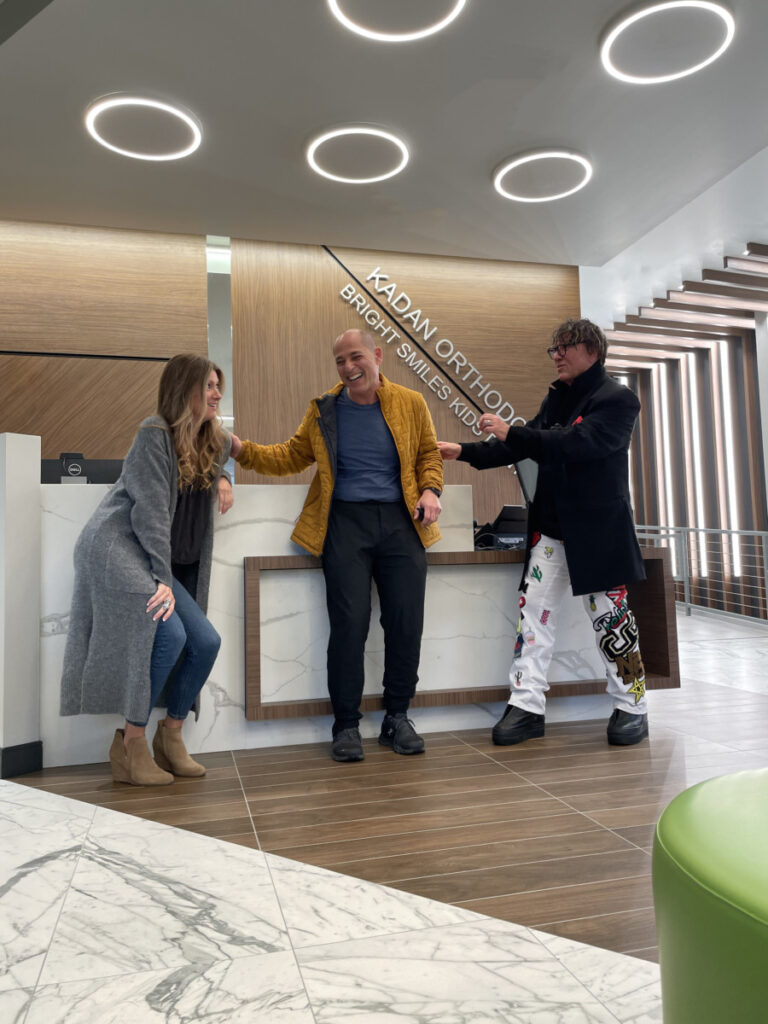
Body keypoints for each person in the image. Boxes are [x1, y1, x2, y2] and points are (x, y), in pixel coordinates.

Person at [230, 328, 443, 762]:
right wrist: (239, 449)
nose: (348, 367)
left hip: (401, 524)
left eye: (355, 357)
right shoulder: (324, 410)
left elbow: (428, 454)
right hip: (344, 524)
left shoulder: (411, 402)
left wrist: (430, 489)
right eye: (340, 361)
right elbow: (290, 456)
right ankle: (345, 724)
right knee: (349, 625)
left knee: (405, 623)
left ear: (377, 355)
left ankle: (397, 717)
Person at [438, 317, 649, 747]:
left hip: (599, 534)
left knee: (612, 621)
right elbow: (522, 444)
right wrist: (463, 451)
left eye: (564, 347)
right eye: (554, 349)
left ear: (591, 349)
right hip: (550, 532)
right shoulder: (556, 400)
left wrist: (513, 432)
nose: (556, 356)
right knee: (532, 616)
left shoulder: (618, 399)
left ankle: (633, 706)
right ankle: (526, 706)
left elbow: (577, 444)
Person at [60, 354, 234, 785]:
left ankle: (169, 737)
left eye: (218, 386)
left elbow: (236, 451)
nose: (217, 394)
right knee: (170, 633)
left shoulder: (210, 439)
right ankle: (130, 744)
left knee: (205, 641)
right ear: (186, 389)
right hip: (118, 544)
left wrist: (225, 476)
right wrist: (161, 578)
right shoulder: (154, 433)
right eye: (209, 386)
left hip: (152, 556)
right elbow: (151, 513)